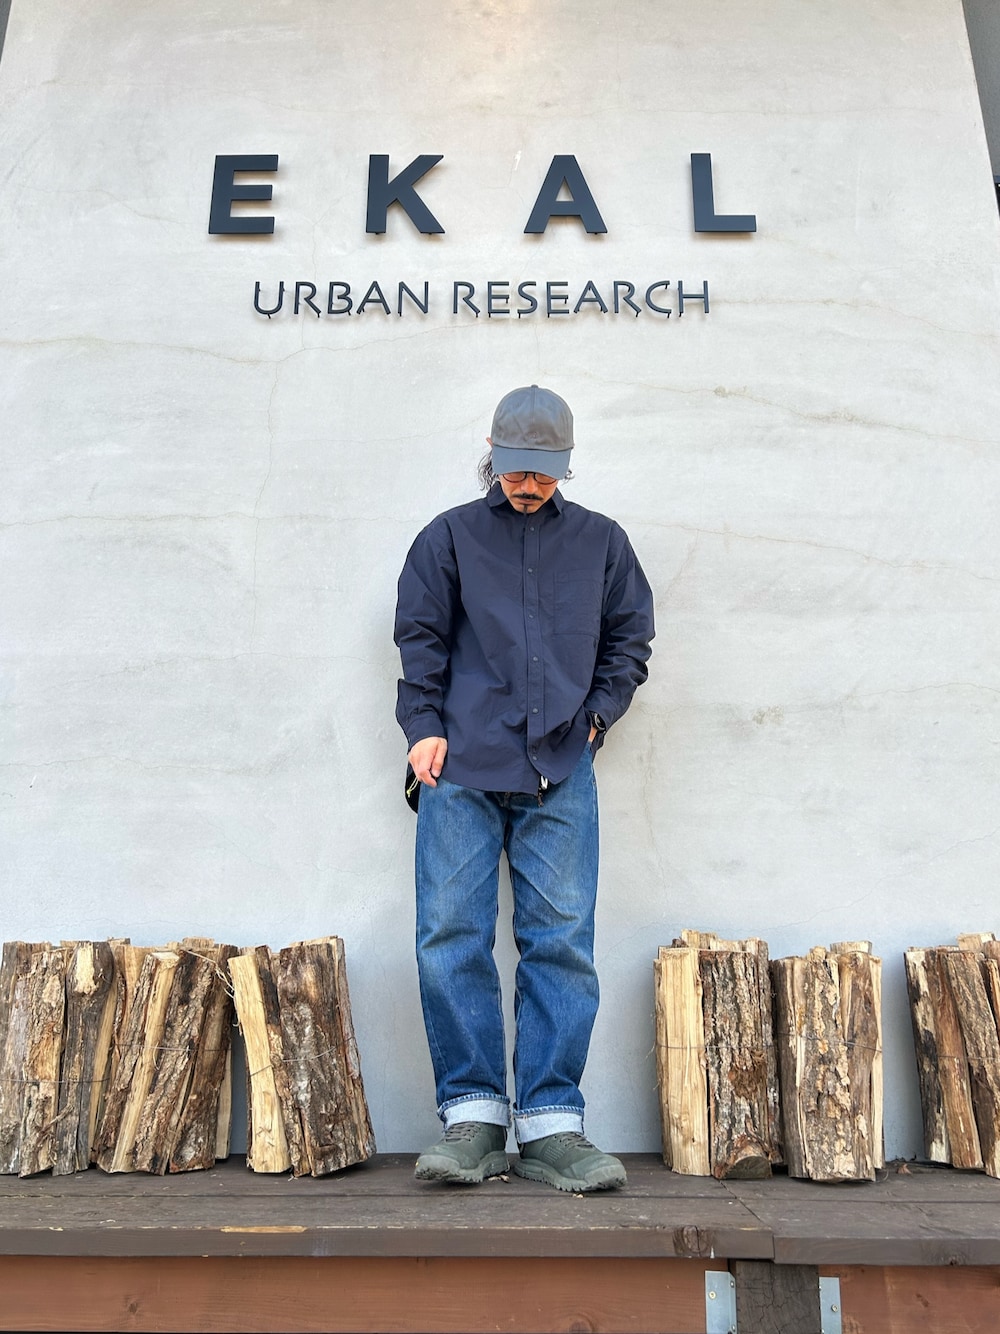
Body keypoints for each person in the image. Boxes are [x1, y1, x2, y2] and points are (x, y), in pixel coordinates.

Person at [394, 384, 654, 1192]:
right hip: (460, 767)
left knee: (561, 944)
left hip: (561, 769)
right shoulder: (447, 539)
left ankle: (550, 1127)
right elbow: (420, 639)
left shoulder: (603, 544)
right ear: (492, 456)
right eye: (516, 470)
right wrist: (422, 727)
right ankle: (472, 1120)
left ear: (566, 465)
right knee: (451, 937)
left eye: (544, 472)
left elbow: (630, 640)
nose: (529, 485)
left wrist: (598, 718)